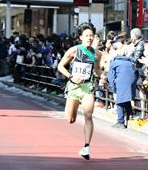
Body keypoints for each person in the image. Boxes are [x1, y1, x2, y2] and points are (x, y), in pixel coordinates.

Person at [57, 23, 103, 160]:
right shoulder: (74, 50)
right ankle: (72, 113)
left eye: (91, 35)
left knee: (89, 115)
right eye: (87, 35)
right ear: (81, 37)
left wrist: (102, 77)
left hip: (87, 87)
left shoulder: (97, 54)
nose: (89, 38)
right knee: (71, 119)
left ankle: (86, 147)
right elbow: (60, 66)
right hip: (73, 87)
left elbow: (96, 70)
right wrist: (71, 76)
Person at [108, 41, 137, 129]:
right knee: (127, 99)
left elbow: (111, 77)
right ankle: (131, 115)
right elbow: (136, 73)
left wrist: (113, 88)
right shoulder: (131, 63)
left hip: (120, 82)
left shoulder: (114, 63)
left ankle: (120, 121)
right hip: (131, 82)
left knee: (119, 102)